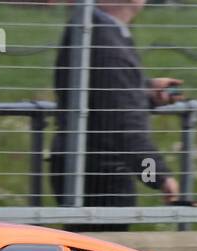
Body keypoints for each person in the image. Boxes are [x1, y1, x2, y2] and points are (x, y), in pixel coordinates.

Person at [51, 0, 181, 229]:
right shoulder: (108, 43)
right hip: (103, 175)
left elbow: (104, 100)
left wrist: (144, 92)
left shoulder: (89, 27)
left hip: (83, 165)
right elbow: (125, 127)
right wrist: (160, 177)